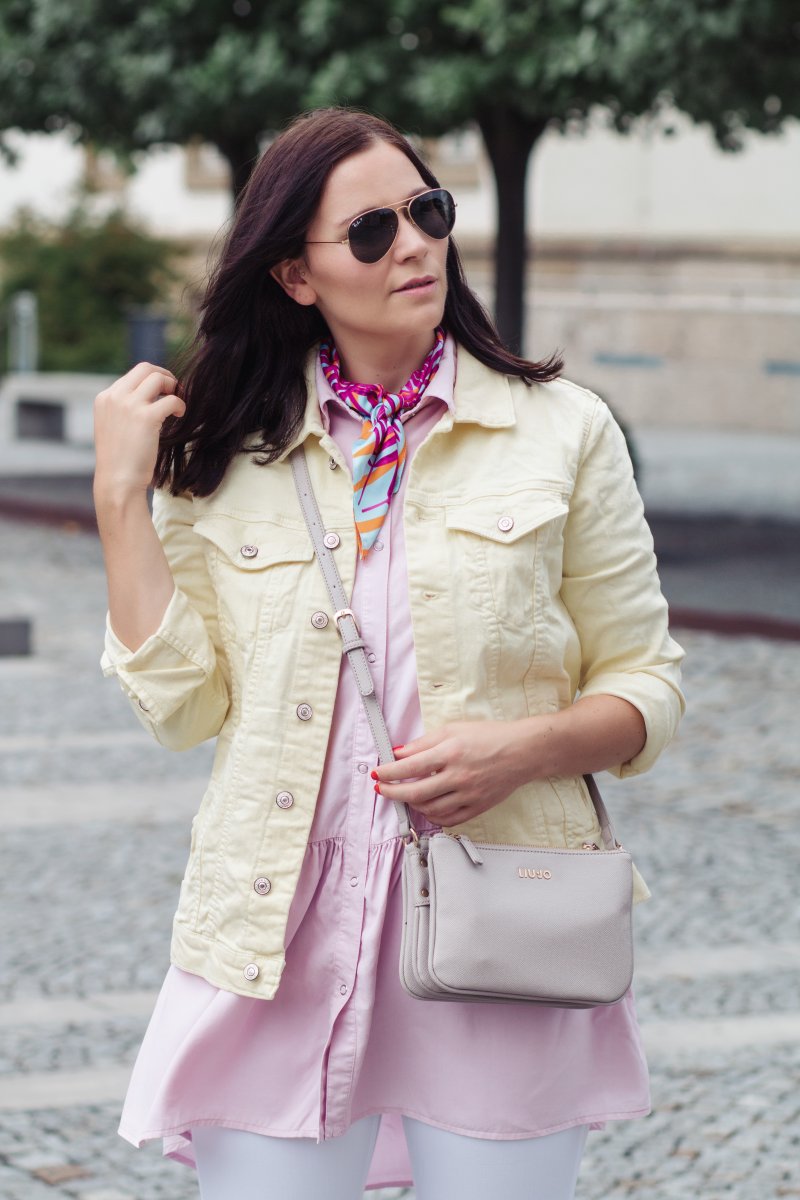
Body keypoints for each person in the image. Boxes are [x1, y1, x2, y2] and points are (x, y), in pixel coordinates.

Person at [94, 107, 685, 1200]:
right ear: (293, 275)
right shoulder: (222, 458)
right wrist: (120, 498)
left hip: (500, 921)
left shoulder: (562, 431)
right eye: (369, 231)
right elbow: (179, 708)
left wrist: (523, 749)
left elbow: (645, 686)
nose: (412, 245)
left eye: (426, 212)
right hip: (277, 932)